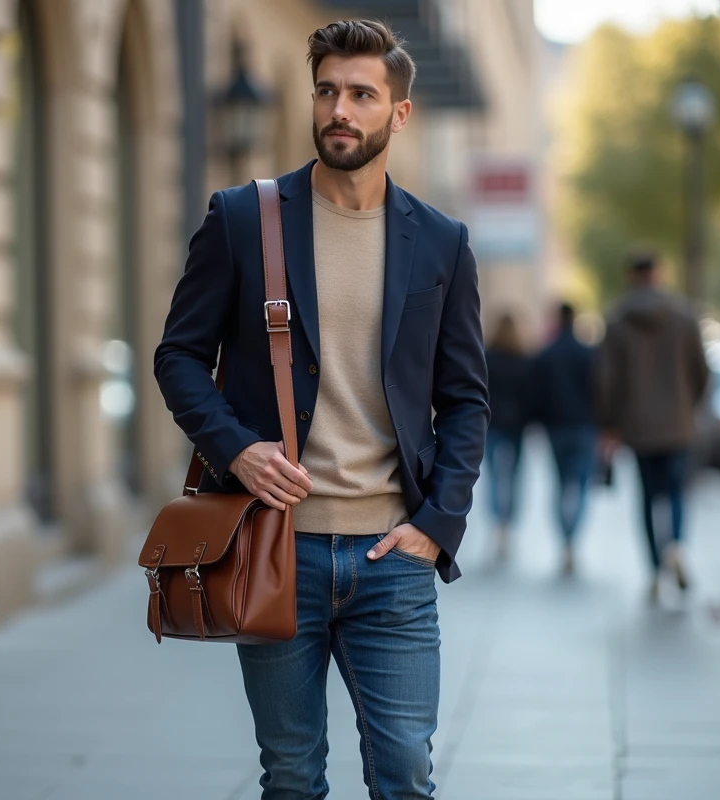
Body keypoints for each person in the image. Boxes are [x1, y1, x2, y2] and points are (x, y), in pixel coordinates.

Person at [153, 19, 489, 799]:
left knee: (405, 772)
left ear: (397, 114)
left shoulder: (441, 243)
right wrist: (236, 448)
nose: (341, 109)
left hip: (392, 558)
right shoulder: (244, 219)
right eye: (328, 91)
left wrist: (437, 526)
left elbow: (465, 400)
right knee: (293, 774)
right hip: (277, 551)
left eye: (362, 95)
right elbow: (177, 357)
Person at [598, 252, 709, 598]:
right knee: (676, 490)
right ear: (657, 274)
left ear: (630, 276)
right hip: (677, 422)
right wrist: (690, 405)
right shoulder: (684, 316)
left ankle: (652, 570)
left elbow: (605, 379)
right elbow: (702, 370)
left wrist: (609, 423)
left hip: (638, 425)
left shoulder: (617, 322)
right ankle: (675, 545)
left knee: (647, 496)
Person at [531, 302, 598, 574]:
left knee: (560, 485)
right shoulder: (589, 354)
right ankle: (573, 538)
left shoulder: (546, 354)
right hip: (584, 427)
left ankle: (565, 539)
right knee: (581, 485)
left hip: (556, 428)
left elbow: (536, 393)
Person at [483, 313, 532, 559]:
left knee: (493, 477)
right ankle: (509, 522)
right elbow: (530, 396)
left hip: (491, 424)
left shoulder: (486, 358)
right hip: (517, 426)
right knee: (514, 476)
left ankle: (497, 523)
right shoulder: (523, 360)